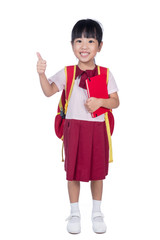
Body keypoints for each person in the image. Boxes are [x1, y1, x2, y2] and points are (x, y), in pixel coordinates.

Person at [36, 19, 119, 234]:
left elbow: (115, 102)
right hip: (74, 130)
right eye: (79, 40)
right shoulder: (68, 72)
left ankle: (97, 212)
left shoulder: (106, 73)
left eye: (90, 41)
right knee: (73, 173)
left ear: (100, 46)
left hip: (98, 129)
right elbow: (48, 91)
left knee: (97, 173)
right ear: (72, 44)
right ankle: (74, 213)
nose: (84, 46)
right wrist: (41, 74)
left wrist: (100, 102)